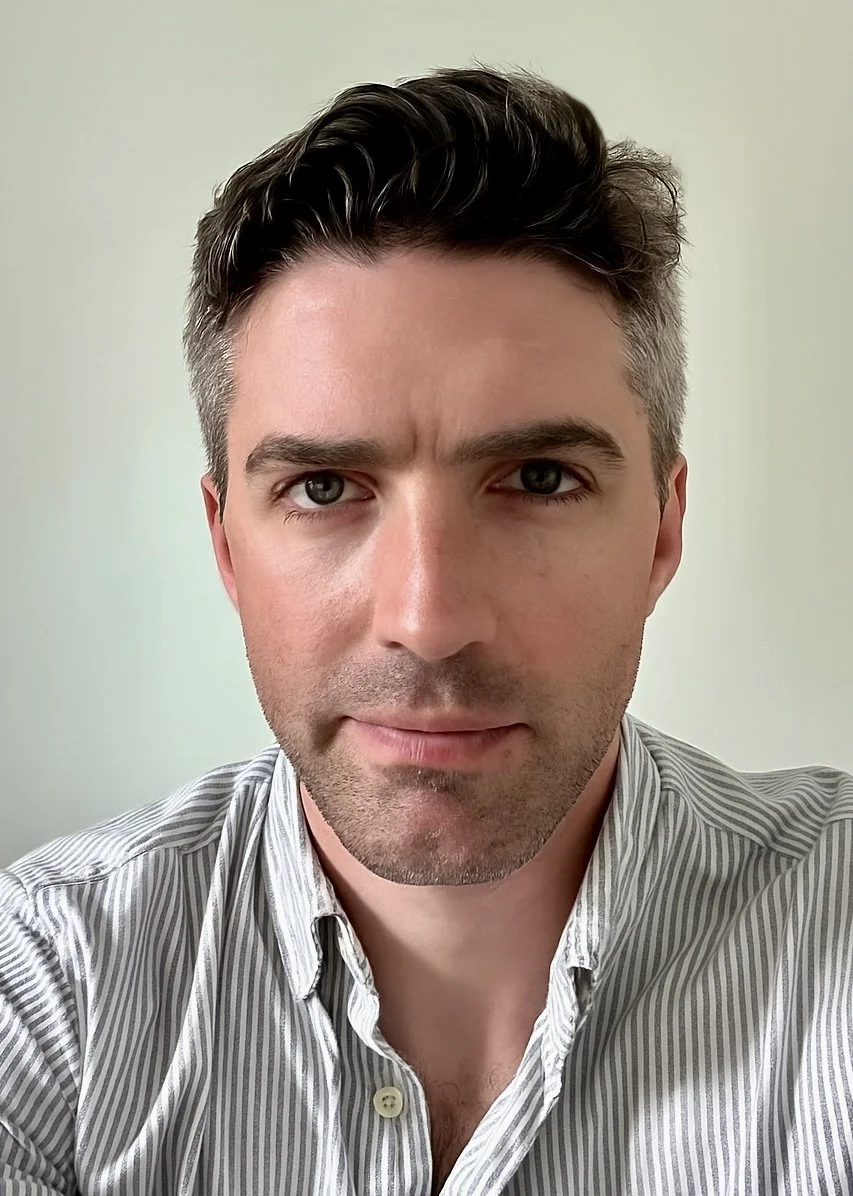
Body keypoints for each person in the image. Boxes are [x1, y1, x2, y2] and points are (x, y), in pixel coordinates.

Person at [1, 62, 851, 1196]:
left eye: (537, 477)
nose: (428, 618)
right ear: (225, 546)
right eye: (322, 487)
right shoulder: (53, 986)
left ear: (661, 530)